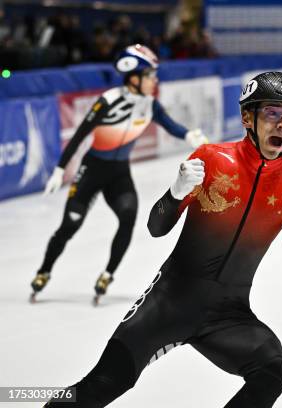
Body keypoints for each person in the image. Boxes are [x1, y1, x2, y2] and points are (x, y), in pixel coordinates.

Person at [44, 71, 282, 407]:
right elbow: (156, 227)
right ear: (247, 117)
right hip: (168, 302)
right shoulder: (211, 158)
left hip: (229, 316)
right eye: (272, 113)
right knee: (103, 384)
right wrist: (176, 193)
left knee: (273, 371)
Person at [30, 44, 208, 304]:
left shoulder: (150, 104)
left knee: (128, 216)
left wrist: (188, 134)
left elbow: (170, 125)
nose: (154, 80)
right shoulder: (109, 100)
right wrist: (59, 169)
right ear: (134, 78)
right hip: (91, 171)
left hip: (119, 174)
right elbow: (80, 134)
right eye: (150, 76)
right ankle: (44, 271)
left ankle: (107, 274)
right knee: (71, 225)